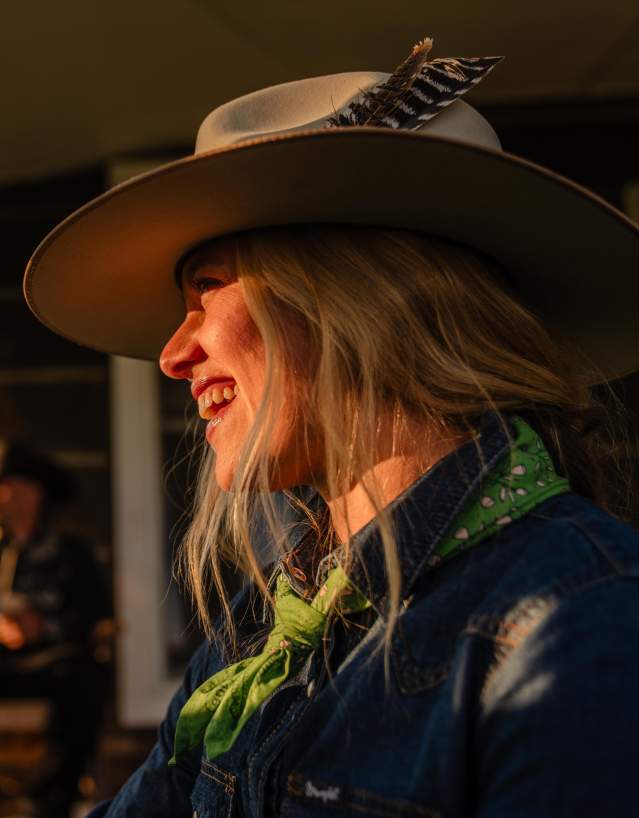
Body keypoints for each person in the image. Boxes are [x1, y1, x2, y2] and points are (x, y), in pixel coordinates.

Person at [23, 37, 639, 817]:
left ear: (353, 303)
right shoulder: (268, 625)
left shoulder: (578, 619)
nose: (174, 356)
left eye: (206, 289)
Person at [0, 441, 111, 818]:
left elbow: (94, 617)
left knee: (83, 679)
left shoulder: (70, 554)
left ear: (34, 495)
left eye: (11, 487)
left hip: (55, 668)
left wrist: (40, 628)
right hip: (5, 669)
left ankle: (53, 799)